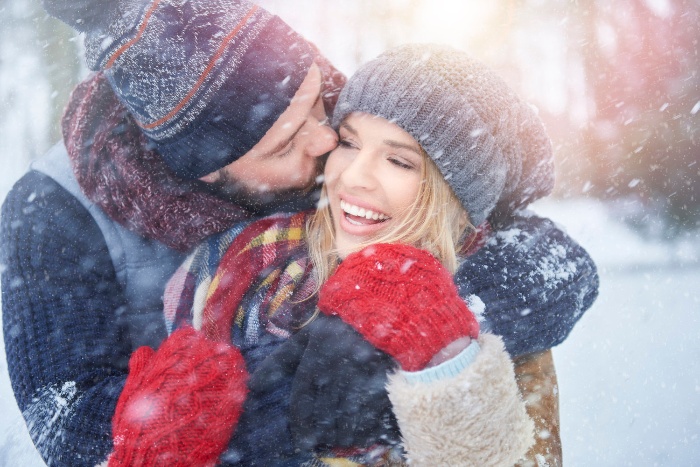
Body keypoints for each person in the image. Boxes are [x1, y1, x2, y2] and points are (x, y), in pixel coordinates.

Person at [0, 0, 597, 465]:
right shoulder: (51, 215)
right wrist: (285, 402)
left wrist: (392, 345)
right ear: (205, 177)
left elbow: (549, 263)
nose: (327, 144)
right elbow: (66, 426)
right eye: (285, 143)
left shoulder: (356, 133)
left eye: (319, 103)